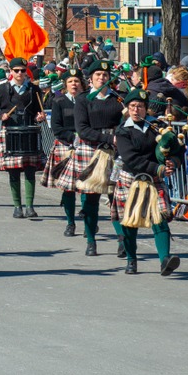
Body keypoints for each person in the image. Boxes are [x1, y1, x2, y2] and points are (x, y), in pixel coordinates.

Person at [112, 88, 184, 276]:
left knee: (159, 218)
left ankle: (165, 260)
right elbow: (131, 159)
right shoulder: (122, 131)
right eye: (133, 106)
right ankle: (131, 260)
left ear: (146, 109)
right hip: (131, 179)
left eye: (140, 107)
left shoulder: (157, 127)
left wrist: (173, 162)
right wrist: (158, 168)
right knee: (129, 222)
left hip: (154, 180)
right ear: (128, 108)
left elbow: (176, 150)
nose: (136, 110)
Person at [70, 60, 123, 256]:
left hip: (116, 152)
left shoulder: (118, 99)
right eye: (98, 75)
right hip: (92, 150)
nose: (102, 78)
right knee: (91, 199)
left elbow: (125, 122)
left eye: (105, 75)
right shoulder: (83, 100)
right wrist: (109, 137)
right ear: (90, 78)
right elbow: (82, 129)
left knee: (116, 197)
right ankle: (91, 240)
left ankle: (122, 240)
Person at [0, 57, 46, 218]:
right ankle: (17, 206)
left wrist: (39, 116)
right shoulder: (3, 89)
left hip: (29, 130)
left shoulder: (34, 90)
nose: (20, 73)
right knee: (13, 171)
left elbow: (38, 110)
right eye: (16, 71)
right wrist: (1, 115)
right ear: (11, 71)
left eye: (23, 70)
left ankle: (29, 206)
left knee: (30, 169)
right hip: (10, 131)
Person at [44, 68, 83, 235]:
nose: (74, 84)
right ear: (65, 85)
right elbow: (56, 127)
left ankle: (90, 219)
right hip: (66, 146)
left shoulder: (87, 100)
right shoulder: (59, 102)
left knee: (87, 186)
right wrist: (71, 137)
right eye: (70, 81)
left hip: (85, 146)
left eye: (76, 81)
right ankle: (70, 222)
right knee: (68, 188)